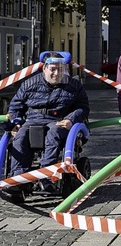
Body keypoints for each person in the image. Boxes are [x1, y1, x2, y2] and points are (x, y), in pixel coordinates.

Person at [4, 52, 90, 194]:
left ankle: (47, 176)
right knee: (20, 137)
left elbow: (83, 107)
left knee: (53, 134)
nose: (57, 73)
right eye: (53, 69)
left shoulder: (74, 85)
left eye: (61, 69)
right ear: (44, 68)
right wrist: (15, 122)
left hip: (59, 120)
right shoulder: (29, 83)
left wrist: (71, 119)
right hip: (32, 119)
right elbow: (15, 105)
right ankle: (19, 179)